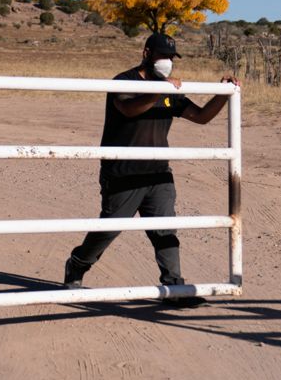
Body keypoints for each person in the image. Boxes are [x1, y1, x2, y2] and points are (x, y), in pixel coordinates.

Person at [63, 32, 238, 307]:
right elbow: (129, 108)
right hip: (123, 172)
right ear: (146, 54)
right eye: (162, 56)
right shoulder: (124, 81)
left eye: (171, 57)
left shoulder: (169, 89)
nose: (167, 62)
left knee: (165, 229)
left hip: (159, 173)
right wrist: (161, 89)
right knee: (109, 229)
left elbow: (202, 116)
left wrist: (224, 94)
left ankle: (174, 287)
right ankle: (77, 264)